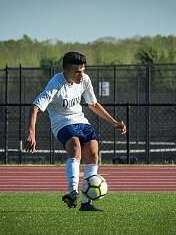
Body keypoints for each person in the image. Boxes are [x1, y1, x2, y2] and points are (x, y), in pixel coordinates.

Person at [25, 51, 126, 211]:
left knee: (93, 154)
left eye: (83, 70)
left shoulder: (85, 80)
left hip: (81, 121)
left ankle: (86, 203)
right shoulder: (56, 83)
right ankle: (72, 193)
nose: (81, 75)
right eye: (77, 71)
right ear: (65, 70)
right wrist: (31, 133)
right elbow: (35, 107)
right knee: (75, 148)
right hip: (62, 123)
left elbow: (93, 104)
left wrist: (113, 123)